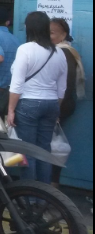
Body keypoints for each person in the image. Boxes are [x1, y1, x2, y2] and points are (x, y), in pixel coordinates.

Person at [7, 11, 68, 184]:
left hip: (28, 104)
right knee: (44, 151)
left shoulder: (25, 50)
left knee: (28, 152)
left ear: (28, 28)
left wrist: (11, 110)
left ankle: (30, 197)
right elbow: (61, 88)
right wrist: (56, 109)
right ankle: (45, 195)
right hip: (51, 105)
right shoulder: (59, 52)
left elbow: (17, 83)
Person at [49, 18, 85, 187]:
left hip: (59, 106)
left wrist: (57, 110)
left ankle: (51, 187)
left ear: (63, 35)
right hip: (59, 105)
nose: (48, 36)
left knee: (52, 148)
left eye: (52, 33)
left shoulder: (63, 52)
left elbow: (67, 85)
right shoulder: (59, 51)